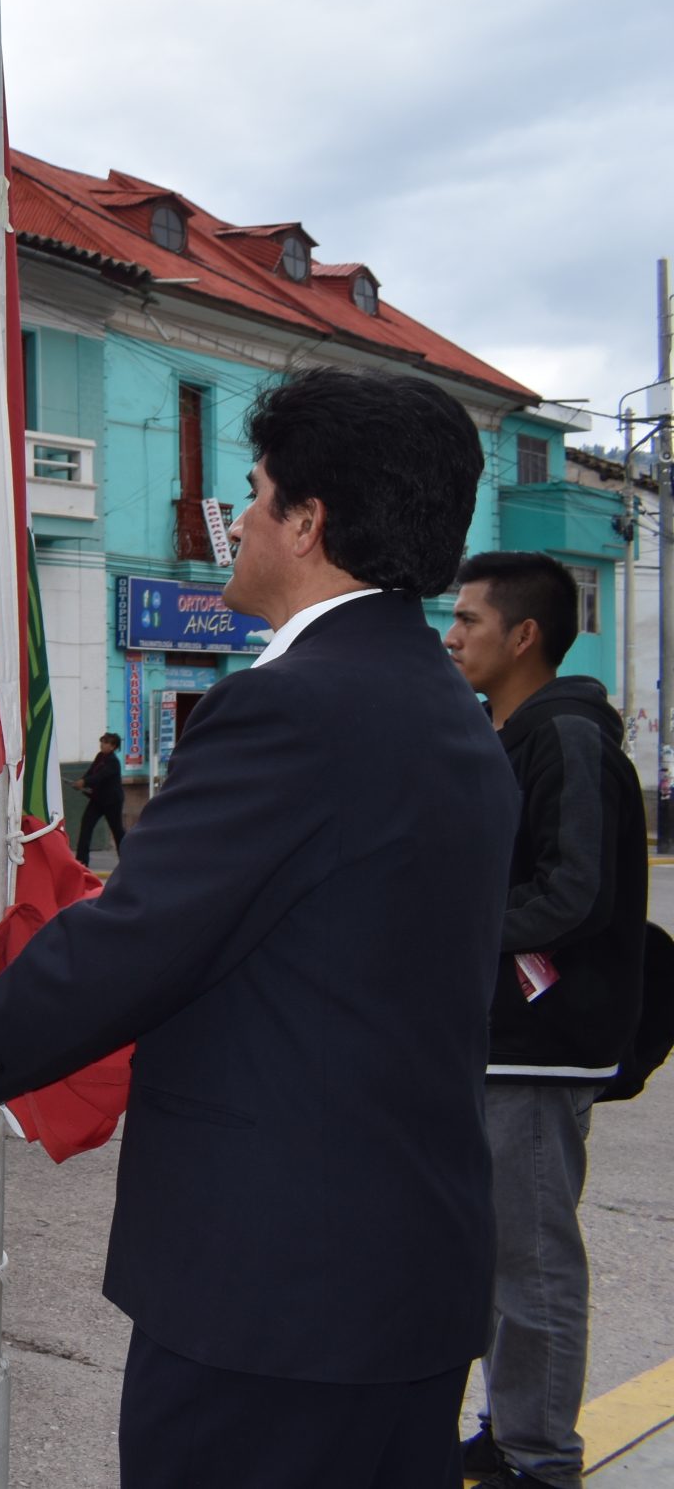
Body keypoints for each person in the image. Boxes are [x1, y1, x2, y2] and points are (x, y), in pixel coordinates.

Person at [0, 368, 517, 1489]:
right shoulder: (445, 714)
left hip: (274, 1296)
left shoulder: (292, 707)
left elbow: (144, 935)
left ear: (307, 523)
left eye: (256, 494)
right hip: (401, 1276)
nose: (240, 519)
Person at [444, 551, 651, 1489]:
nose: (451, 637)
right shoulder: (510, 733)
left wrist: (447, 928)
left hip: (542, 1044)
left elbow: (574, 893)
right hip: (502, 1042)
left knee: (530, 1264)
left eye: (469, 621)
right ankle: (511, 1427)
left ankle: (539, 1457)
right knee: (493, 1260)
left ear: (523, 636)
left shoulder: (562, 736)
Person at [74, 732, 126, 866]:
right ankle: (81, 862)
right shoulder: (100, 757)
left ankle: (127, 860)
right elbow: (92, 772)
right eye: (102, 741)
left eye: (106, 742)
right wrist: (81, 781)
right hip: (97, 800)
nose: (102, 744)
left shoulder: (113, 762)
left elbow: (100, 776)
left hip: (112, 802)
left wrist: (84, 782)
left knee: (117, 831)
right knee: (86, 827)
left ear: (113, 747)